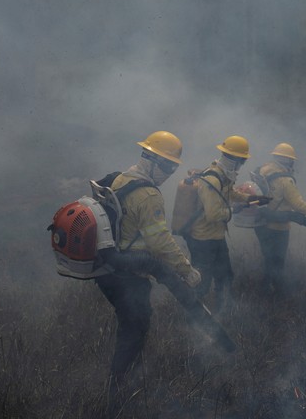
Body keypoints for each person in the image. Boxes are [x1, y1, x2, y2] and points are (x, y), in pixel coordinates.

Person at [96, 131, 201, 407]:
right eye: (166, 165)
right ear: (150, 158)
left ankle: (127, 381)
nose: (169, 172)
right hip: (129, 275)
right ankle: (117, 397)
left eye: (173, 167)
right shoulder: (149, 195)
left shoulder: (124, 178)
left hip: (109, 270)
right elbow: (160, 242)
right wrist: (186, 269)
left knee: (133, 325)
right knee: (135, 329)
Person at [185, 135, 256, 313]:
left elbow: (230, 193)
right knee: (202, 282)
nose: (241, 165)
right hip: (202, 240)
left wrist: (250, 199)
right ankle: (193, 319)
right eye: (241, 161)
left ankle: (221, 313)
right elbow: (213, 214)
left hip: (216, 237)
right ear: (234, 159)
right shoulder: (213, 179)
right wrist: (234, 211)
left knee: (225, 276)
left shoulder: (223, 176)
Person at [252, 142, 306, 294]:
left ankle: (265, 291)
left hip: (261, 224)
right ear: (287, 160)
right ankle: (275, 295)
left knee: (268, 260)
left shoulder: (263, 170)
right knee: (277, 262)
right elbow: (298, 204)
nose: (293, 163)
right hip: (278, 228)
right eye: (291, 160)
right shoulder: (285, 180)